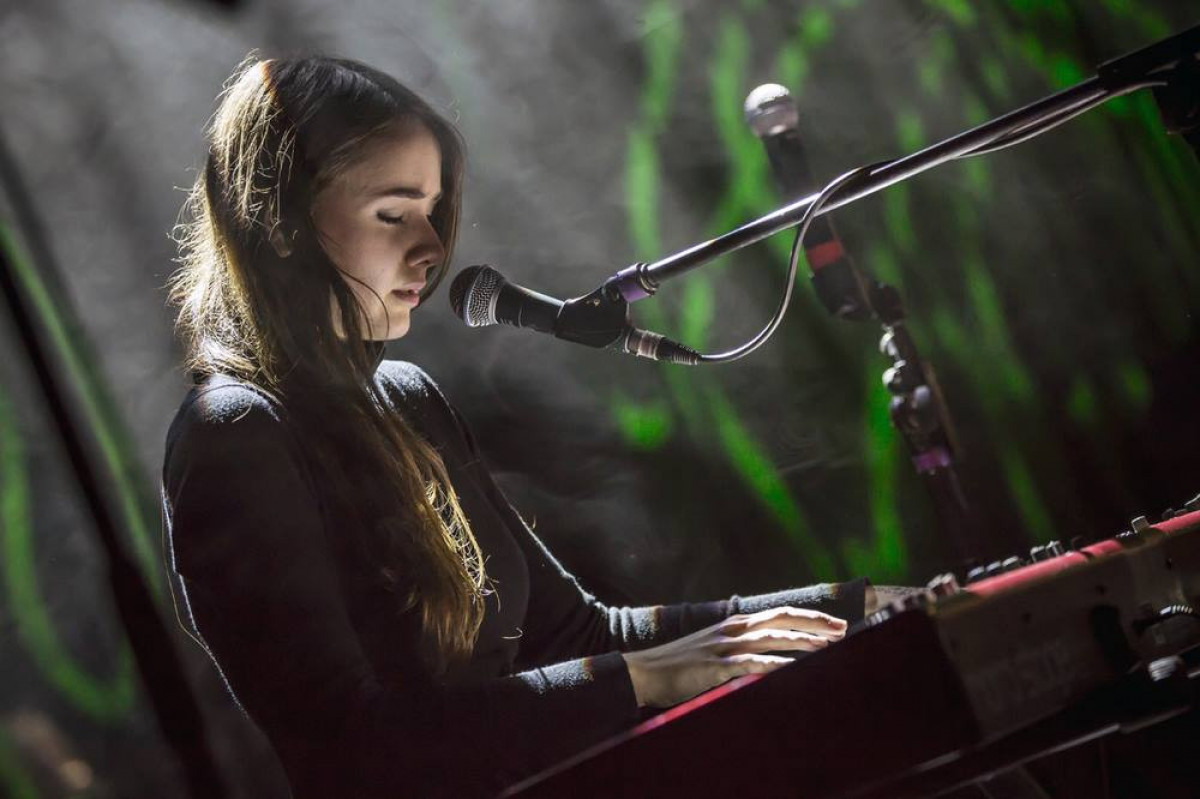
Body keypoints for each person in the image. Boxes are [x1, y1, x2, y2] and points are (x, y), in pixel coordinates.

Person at [162, 54, 879, 799]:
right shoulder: (234, 437)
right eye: (393, 215)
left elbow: (580, 638)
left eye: (432, 211)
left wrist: (858, 608)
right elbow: (354, 749)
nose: (432, 248)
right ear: (278, 220)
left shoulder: (405, 398)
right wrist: (639, 679)